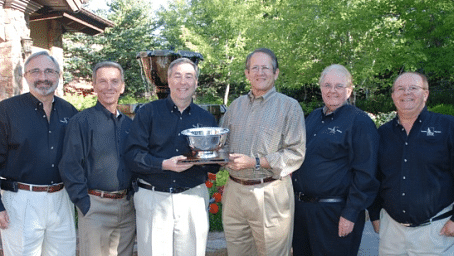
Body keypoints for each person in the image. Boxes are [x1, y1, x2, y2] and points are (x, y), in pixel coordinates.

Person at [124, 57, 219, 256]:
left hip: (192, 199)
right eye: (177, 76)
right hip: (153, 199)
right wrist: (163, 164)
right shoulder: (148, 112)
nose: (183, 82)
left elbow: (213, 166)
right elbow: (133, 156)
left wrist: (217, 157)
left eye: (188, 76)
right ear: (168, 81)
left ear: (196, 82)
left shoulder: (206, 119)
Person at [220, 48, 306, 256]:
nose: (260, 72)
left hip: (270, 192)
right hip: (234, 192)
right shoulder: (235, 106)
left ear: (275, 73)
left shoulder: (289, 107)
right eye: (255, 68)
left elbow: (296, 153)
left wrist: (255, 162)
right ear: (247, 73)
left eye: (266, 68)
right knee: (237, 251)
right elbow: (222, 143)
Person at [292, 64, 379, 256]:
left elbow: (366, 174)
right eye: (327, 85)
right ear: (320, 87)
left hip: (335, 213)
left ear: (349, 90)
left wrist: (350, 214)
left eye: (339, 86)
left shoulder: (360, 122)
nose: (332, 91)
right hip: (303, 212)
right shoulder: (313, 117)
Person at [0, 51, 78, 255]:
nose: (43, 77)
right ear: (25, 76)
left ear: (58, 76)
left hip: (61, 200)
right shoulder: (6, 111)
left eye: (49, 71)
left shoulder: (70, 112)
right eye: (35, 71)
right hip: (21, 202)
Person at [368, 72, 454, 255]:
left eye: (413, 88)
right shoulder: (382, 134)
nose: (406, 93)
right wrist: (374, 214)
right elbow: (374, 177)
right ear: (393, 96)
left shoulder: (448, 127)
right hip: (392, 232)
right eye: (400, 89)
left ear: (426, 93)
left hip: (436, 230)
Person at [59, 61, 135, 256]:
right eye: (102, 81)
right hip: (95, 207)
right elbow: (70, 165)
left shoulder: (130, 124)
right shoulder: (81, 122)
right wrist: (84, 204)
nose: (109, 87)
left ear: (122, 86)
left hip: (127, 208)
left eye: (114, 81)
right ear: (94, 86)